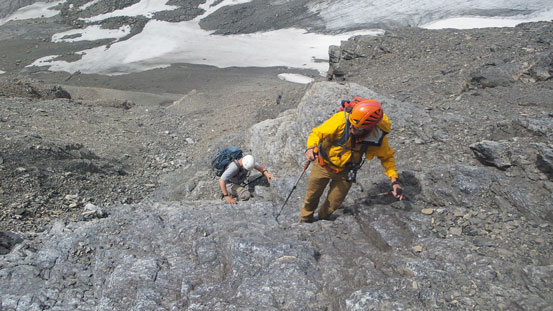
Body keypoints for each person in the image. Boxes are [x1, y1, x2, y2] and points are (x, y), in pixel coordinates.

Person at [300, 98, 403, 223]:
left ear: (369, 128)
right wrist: (311, 148)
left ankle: (323, 218)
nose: (352, 129)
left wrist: (394, 181)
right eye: (352, 124)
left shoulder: (376, 137)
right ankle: (305, 220)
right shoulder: (340, 120)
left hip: (345, 172)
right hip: (323, 165)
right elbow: (317, 134)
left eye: (358, 128)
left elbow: (386, 158)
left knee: (334, 202)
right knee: (312, 197)